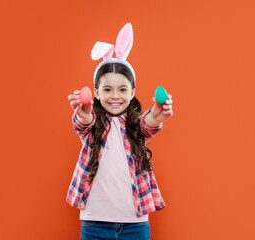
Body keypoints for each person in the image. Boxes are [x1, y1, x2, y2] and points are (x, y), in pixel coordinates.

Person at [66, 23, 173, 240]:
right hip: (94, 222)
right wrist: (83, 111)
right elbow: (83, 121)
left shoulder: (136, 125)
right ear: (96, 92)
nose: (115, 96)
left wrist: (158, 113)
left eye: (122, 89)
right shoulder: (93, 125)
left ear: (133, 92)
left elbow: (149, 122)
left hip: (135, 223)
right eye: (107, 89)